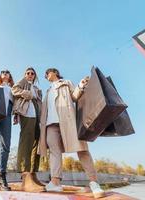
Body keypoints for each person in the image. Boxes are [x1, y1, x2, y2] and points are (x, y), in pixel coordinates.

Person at [38, 68, 105, 198]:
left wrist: (80, 85)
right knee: (54, 152)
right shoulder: (47, 91)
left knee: (82, 149)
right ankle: (55, 182)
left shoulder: (66, 82)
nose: (46, 75)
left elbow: (74, 97)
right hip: (50, 125)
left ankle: (94, 182)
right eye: (45, 75)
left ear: (55, 73)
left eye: (48, 73)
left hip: (68, 120)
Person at [11, 67, 45, 192]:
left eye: (32, 73)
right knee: (26, 142)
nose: (30, 75)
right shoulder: (23, 82)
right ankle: (25, 176)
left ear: (35, 76)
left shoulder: (37, 88)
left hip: (37, 116)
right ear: (25, 75)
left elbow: (40, 102)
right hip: (26, 114)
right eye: (28, 73)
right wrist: (27, 94)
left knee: (37, 144)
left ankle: (33, 174)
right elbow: (14, 89)